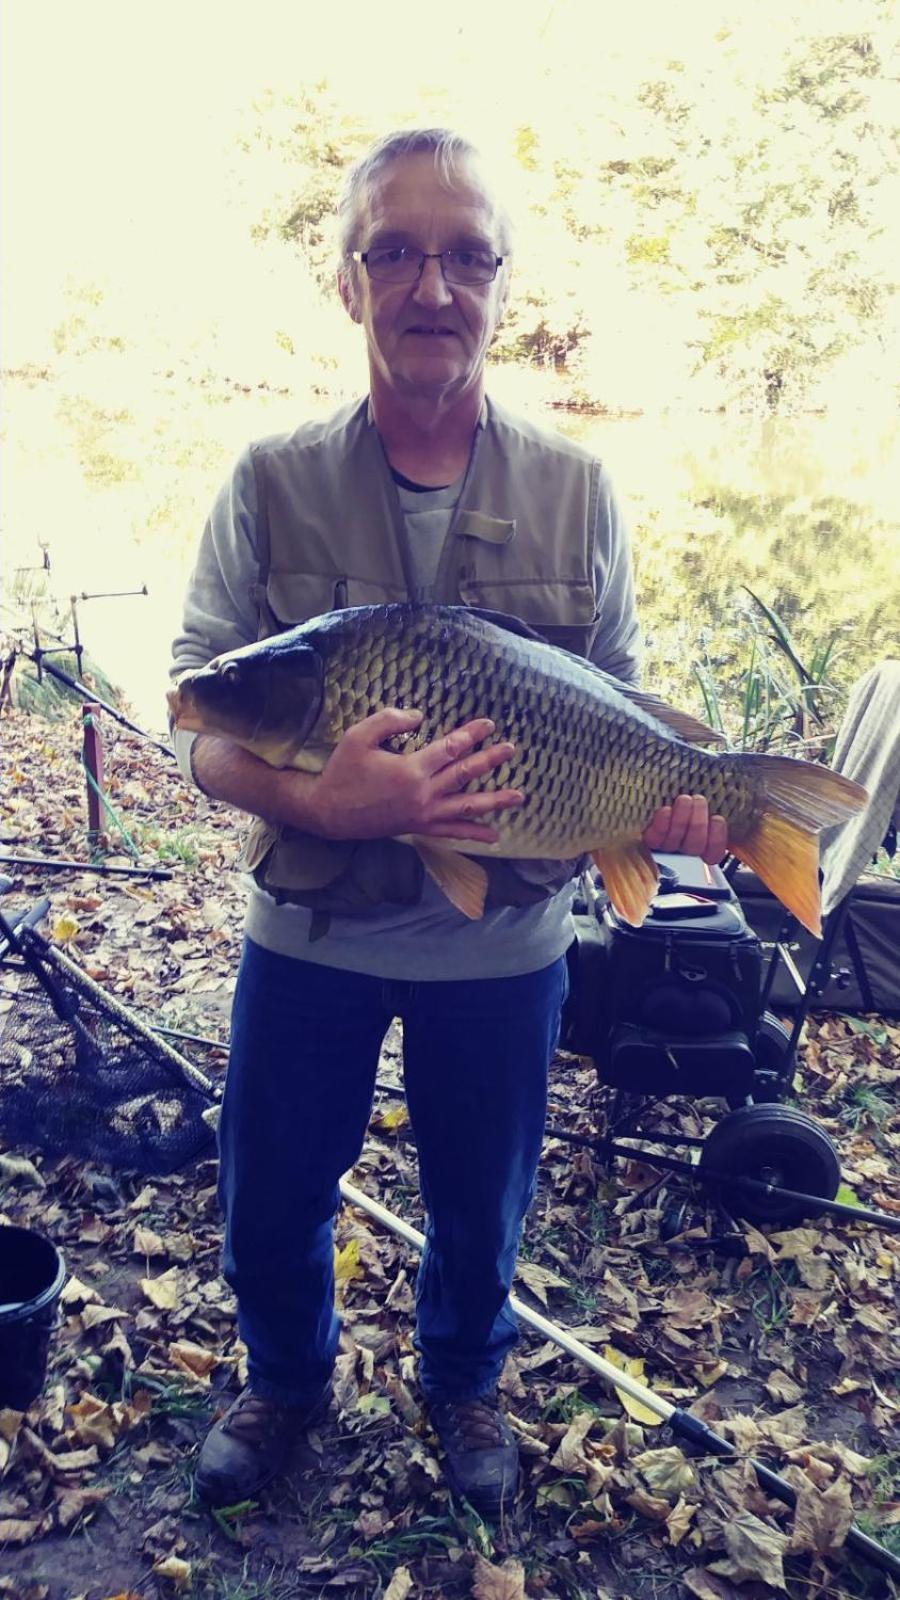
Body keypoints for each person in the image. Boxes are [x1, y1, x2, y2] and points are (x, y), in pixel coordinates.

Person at [170, 127, 727, 1520]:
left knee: (484, 1208)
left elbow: (622, 718)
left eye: (465, 256)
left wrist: (669, 815)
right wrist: (328, 800)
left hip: (507, 941)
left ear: (498, 283)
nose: (434, 287)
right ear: (349, 281)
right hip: (309, 927)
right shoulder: (268, 482)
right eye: (398, 253)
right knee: (270, 1191)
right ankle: (287, 1379)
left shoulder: (580, 492)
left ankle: (464, 1379)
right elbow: (201, 729)